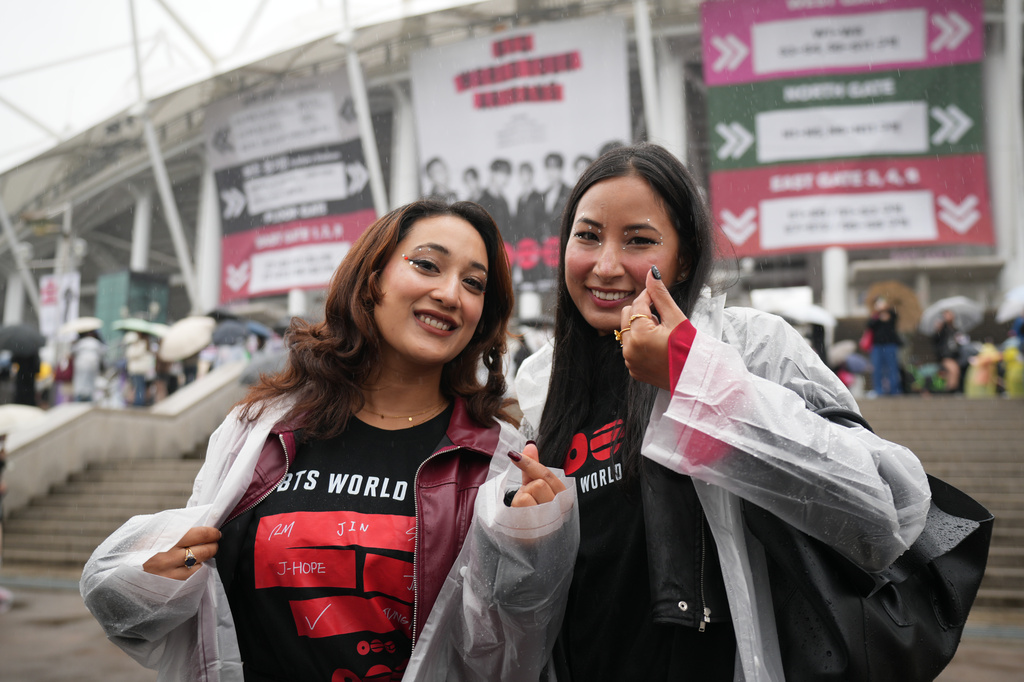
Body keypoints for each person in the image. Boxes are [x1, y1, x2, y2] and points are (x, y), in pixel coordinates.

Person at [81, 200, 577, 681]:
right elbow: (144, 612)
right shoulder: (258, 432)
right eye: (427, 265)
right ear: (372, 278)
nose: (451, 294)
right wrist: (153, 579)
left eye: (474, 283)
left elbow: (506, 657)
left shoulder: (498, 462)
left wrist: (529, 557)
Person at [514, 143, 930, 680]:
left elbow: (882, 514)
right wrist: (520, 530)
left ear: (684, 257)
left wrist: (694, 376)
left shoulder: (756, 347)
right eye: (588, 235)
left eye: (639, 240)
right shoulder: (540, 385)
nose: (606, 264)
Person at [866, 297, 904, 395]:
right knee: (877, 369)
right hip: (877, 346)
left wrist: (887, 310)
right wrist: (877, 315)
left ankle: (894, 390)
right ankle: (878, 390)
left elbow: (895, 317)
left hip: (890, 345)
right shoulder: (875, 316)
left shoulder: (891, 314)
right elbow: (869, 325)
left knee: (892, 368)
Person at [931, 309, 962, 392]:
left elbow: (960, 342)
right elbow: (935, 340)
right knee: (953, 371)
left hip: (954, 356)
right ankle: (951, 390)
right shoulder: (942, 329)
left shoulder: (955, 329)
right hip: (945, 356)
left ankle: (951, 390)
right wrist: (938, 329)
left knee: (952, 374)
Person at [71, 330, 106, 402]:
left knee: (81, 385)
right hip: (92, 366)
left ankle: (80, 399)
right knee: (90, 385)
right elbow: (103, 352)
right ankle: (88, 399)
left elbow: (72, 352)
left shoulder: (80, 343)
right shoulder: (96, 343)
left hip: (81, 366)